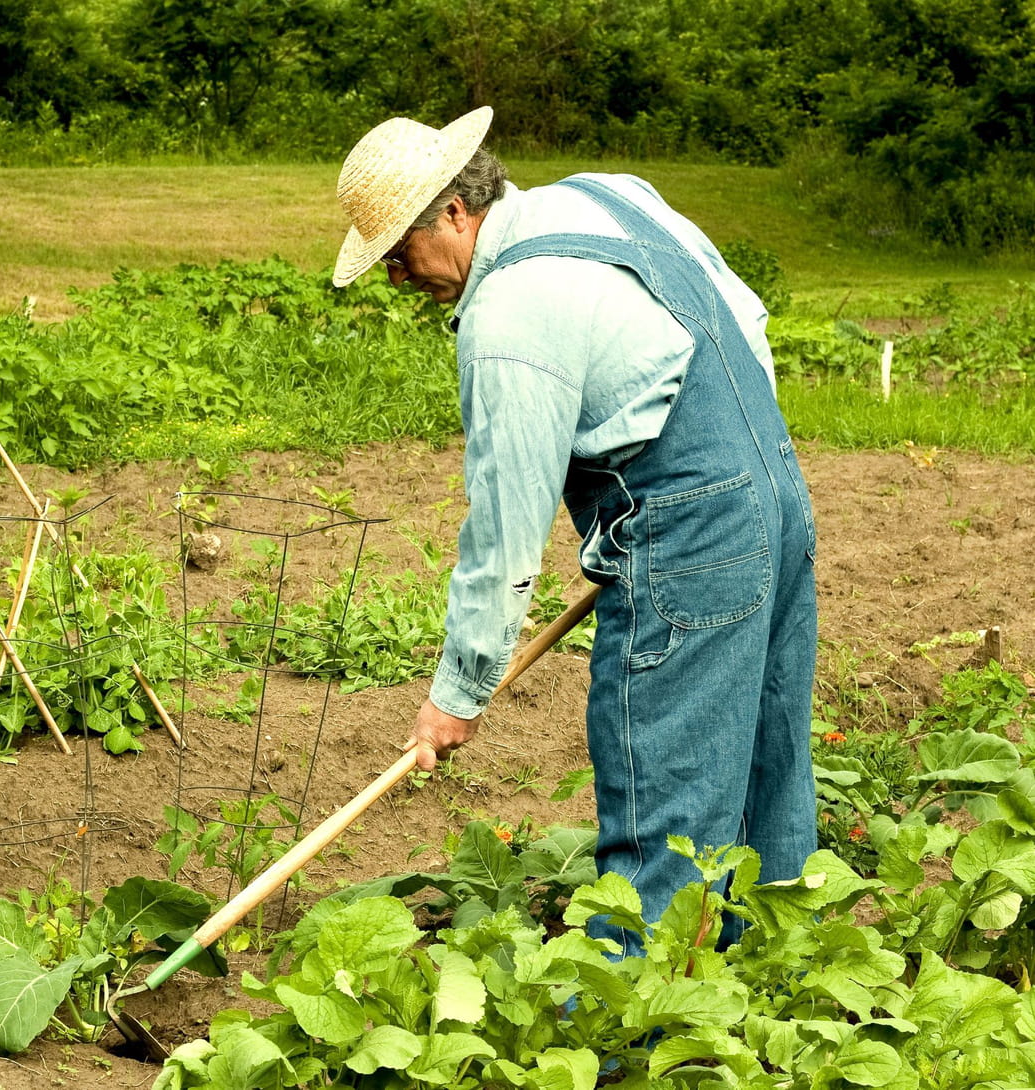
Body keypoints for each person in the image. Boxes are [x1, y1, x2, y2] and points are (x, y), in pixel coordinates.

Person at [332, 106, 817, 953]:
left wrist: (459, 694)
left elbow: (506, 529)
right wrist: (729, 489)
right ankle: (779, 983)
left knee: (661, 806)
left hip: (694, 542)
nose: (397, 282)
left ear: (452, 212)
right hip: (777, 496)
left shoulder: (509, 315)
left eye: (399, 257)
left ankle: (628, 1038)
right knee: (767, 771)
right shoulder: (605, 197)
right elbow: (746, 319)